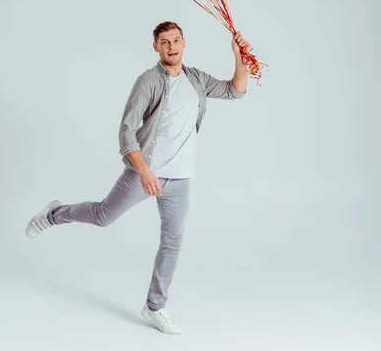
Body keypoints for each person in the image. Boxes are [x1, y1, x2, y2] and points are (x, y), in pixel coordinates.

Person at [25, 21, 248, 334]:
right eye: (164, 42)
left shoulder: (195, 79)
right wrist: (144, 171)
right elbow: (126, 130)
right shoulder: (148, 82)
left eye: (176, 40)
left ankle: (155, 306)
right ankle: (53, 214)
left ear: (184, 43)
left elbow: (234, 91)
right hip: (146, 171)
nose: (171, 46)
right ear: (155, 47)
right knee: (103, 216)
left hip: (180, 178)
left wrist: (238, 56)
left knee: (172, 241)